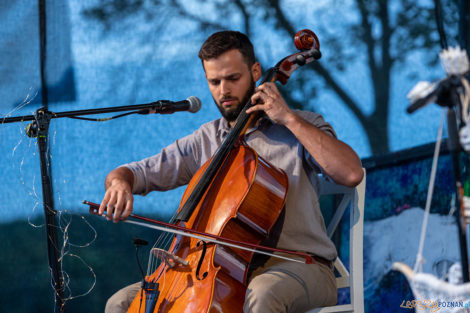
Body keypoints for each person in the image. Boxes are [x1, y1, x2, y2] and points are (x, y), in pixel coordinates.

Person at [100, 30, 363, 313]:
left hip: (300, 267)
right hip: (220, 268)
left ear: (255, 71)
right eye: (214, 82)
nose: (223, 90)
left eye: (232, 79)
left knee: (261, 295)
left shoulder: (301, 124)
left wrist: (288, 118)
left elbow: (350, 173)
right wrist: (119, 183)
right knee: (120, 304)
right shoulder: (206, 139)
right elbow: (133, 172)